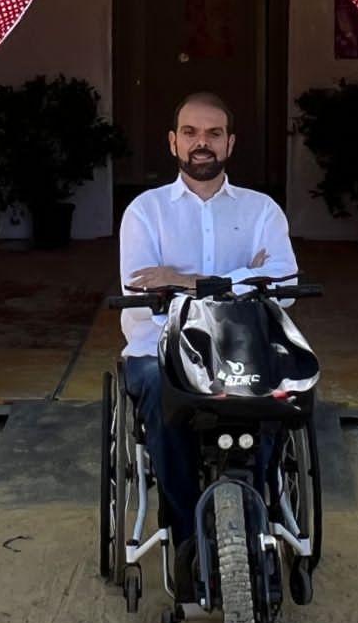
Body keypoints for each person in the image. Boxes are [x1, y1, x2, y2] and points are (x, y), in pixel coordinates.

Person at [118, 90, 296, 587]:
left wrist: (185, 280)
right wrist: (245, 277)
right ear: (173, 142)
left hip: (244, 349)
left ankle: (258, 514)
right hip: (162, 347)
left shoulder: (262, 211)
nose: (202, 144)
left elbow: (283, 284)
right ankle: (184, 534)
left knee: (289, 384)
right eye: (191, 133)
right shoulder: (145, 212)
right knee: (159, 387)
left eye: (213, 134)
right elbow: (139, 283)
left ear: (230, 143)